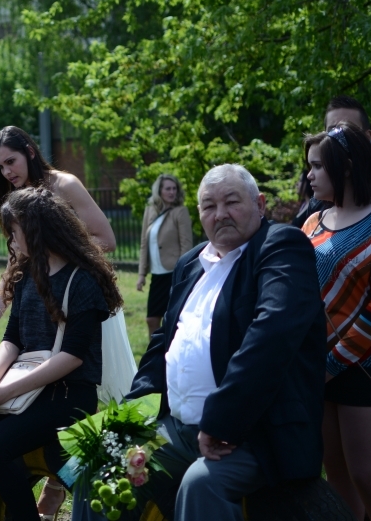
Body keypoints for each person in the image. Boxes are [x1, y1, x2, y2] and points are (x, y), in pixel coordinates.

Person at [120, 164, 326, 521]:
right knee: (103, 463)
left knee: (201, 484)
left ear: (260, 204)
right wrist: (127, 416)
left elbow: (271, 335)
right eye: (209, 206)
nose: (220, 214)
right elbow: (163, 343)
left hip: (252, 433)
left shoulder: (281, 246)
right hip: (177, 428)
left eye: (232, 202)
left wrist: (221, 421)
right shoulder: (190, 263)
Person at [0, 187, 121, 521]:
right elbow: (12, 337)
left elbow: (73, 356)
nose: (11, 240)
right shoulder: (28, 272)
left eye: (14, 231)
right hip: (23, 388)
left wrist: (6, 390)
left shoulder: (82, 280)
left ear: (36, 229)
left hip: (67, 395)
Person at [0, 126, 119, 517]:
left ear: (29, 151)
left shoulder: (65, 185)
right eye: (0, 167)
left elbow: (106, 238)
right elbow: (16, 264)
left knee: (81, 392)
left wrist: (59, 255)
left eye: (11, 161)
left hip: (74, 296)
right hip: (39, 297)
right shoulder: (16, 201)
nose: (7, 172)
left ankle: (59, 485)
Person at [302, 123, 371, 520]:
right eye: (309, 166)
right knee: (336, 476)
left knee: (368, 475)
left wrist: (333, 363)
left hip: (365, 367)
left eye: (318, 166)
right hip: (316, 365)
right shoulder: (311, 223)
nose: (309, 175)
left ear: (347, 166)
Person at [136, 174, 192, 336]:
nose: (172, 192)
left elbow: (186, 244)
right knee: (151, 319)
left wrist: (183, 272)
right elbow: (144, 244)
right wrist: (141, 274)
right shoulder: (150, 211)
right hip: (157, 275)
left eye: (174, 189)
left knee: (173, 320)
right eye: (168, 189)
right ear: (159, 191)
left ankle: (171, 349)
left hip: (172, 273)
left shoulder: (180, 212)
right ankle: (155, 351)